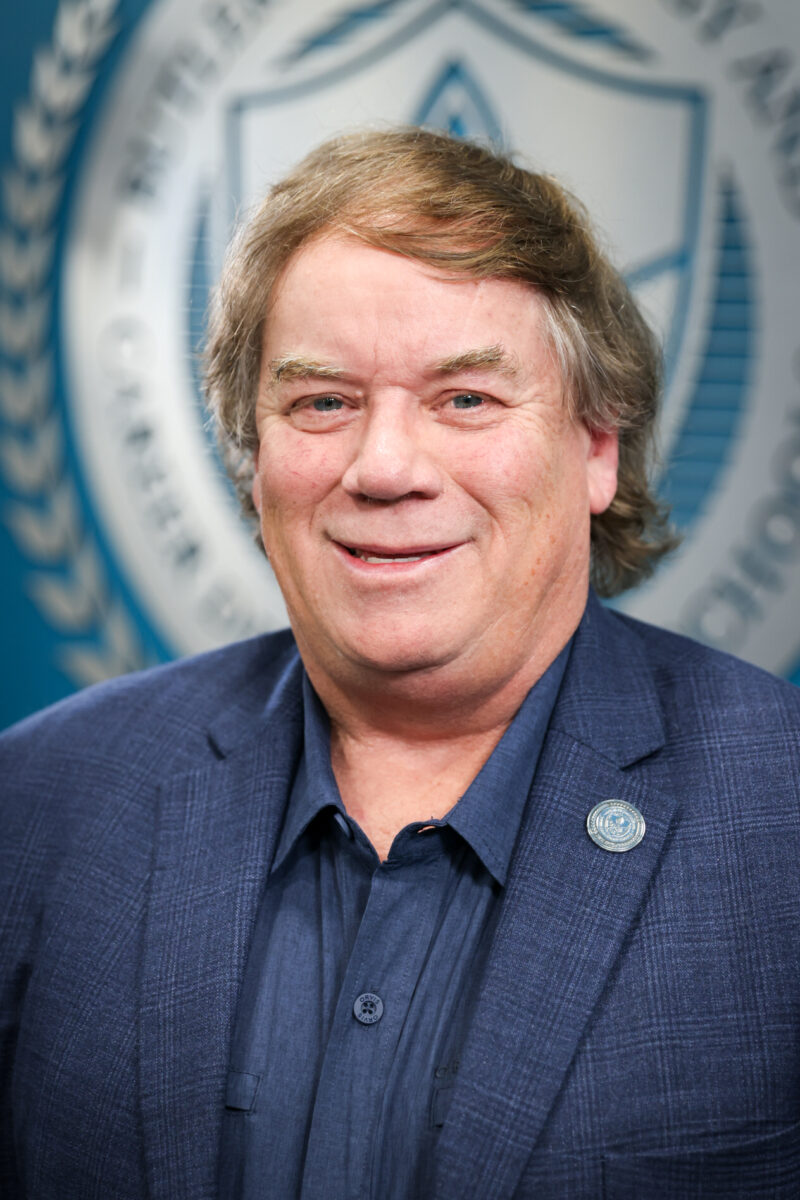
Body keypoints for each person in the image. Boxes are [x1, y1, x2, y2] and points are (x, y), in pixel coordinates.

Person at [2, 128, 799, 1200]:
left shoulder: (778, 815)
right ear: (253, 462)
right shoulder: (39, 802)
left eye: (463, 399)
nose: (383, 467)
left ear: (595, 446)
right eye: (321, 401)